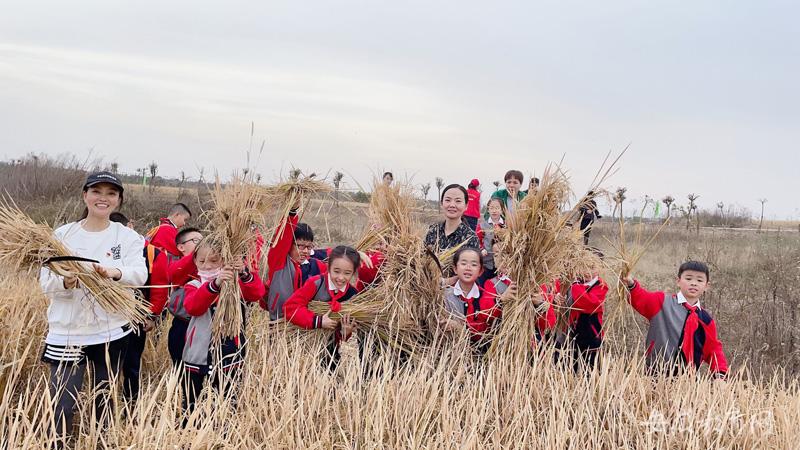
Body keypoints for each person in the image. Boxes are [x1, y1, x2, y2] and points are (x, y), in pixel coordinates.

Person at [40, 171, 147, 435]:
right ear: (85, 195)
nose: (103, 198)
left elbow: (140, 274)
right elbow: (45, 281)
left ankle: (102, 441)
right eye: (96, 191)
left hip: (110, 330)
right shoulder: (63, 235)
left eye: (111, 193)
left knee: (105, 400)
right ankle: (59, 441)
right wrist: (67, 281)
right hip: (68, 332)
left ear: (119, 200)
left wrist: (115, 273)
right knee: (63, 403)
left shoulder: (128, 237)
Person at [181, 241, 265, 412]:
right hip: (198, 352)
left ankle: (224, 429)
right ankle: (189, 428)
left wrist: (243, 272)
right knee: (192, 398)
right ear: (195, 261)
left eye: (214, 260)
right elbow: (193, 307)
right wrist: (215, 284)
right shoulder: (194, 285)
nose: (207, 265)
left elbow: (256, 293)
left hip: (230, 350)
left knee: (227, 396)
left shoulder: (234, 285)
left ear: (224, 260)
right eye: (202, 261)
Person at [622, 261, 728, 379]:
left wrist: (720, 374)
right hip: (655, 374)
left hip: (687, 381)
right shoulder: (662, 302)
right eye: (688, 279)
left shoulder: (706, 320)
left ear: (706, 286)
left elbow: (713, 348)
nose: (693, 283)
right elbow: (642, 298)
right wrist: (631, 284)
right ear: (678, 281)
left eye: (699, 280)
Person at [109, 212, 169, 402]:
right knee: (105, 362)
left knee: (131, 362)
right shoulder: (107, 249)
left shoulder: (152, 253)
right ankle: (104, 401)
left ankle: (130, 402)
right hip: (107, 314)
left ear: (131, 225)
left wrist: (152, 315)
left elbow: (160, 288)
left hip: (136, 316)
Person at [284, 246, 361, 369]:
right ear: (328, 266)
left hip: (329, 352)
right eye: (336, 271)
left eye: (347, 273)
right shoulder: (316, 283)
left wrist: (345, 333)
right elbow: (290, 308)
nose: (341, 278)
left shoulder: (352, 295)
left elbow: (340, 334)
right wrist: (318, 321)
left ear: (354, 273)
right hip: (304, 348)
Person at [440, 247, 504, 354]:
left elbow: (486, 329)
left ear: (480, 271)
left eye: (474, 265)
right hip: (447, 353)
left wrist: (461, 328)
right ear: (455, 269)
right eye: (463, 263)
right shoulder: (445, 296)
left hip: (478, 355)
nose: (468, 268)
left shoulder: (485, 295)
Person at [552, 272, 608, 371]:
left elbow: (586, 302)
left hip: (590, 339)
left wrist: (575, 285)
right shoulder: (569, 282)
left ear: (599, 269)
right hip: (567, 336)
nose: (587, 271)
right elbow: (551, 291)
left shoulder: (601, 286)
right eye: (585, 266)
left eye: (591, 267)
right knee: (564, 372)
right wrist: (555, 297)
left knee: (589, 373)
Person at [165, 227, 204, 365]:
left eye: (203, 240)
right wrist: (199, 251)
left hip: (206, 325)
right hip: (183, 324)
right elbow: (175, 273)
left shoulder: (211, 266)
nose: (201, 243)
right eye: (196, 240)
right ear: (181, 247)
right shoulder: (176, 265)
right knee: (181, 368)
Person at [424, 184, 480, 254]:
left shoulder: (471, 238)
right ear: (441, 203)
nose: (452, 205)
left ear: (466, 206)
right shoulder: (433, 230)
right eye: (448, 200)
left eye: (458, 201)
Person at [476, 197, 505, 281]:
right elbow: (477, 240)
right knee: (482, 284)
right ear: (488, 210)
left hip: (501, 265)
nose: (494, 211)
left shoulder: (507, 225)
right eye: (491, 208)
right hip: (486, 263)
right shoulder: (482, 225)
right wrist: (481, 249)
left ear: (502, 210)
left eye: (497, 208)